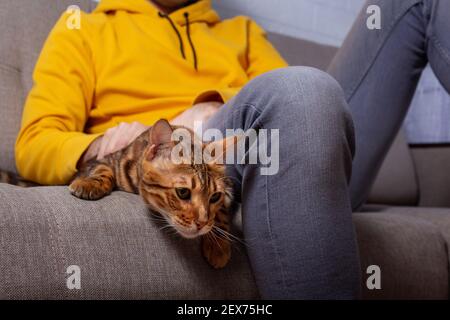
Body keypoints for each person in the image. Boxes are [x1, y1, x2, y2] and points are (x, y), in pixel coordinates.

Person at [15, 0, 450, 299]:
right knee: (301, 91)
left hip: (277, 157)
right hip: (178, 158)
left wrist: (209, 106)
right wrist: (104, 143)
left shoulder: (240, 32)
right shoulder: (86, 28)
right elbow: (34, 142)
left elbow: (302, 117)